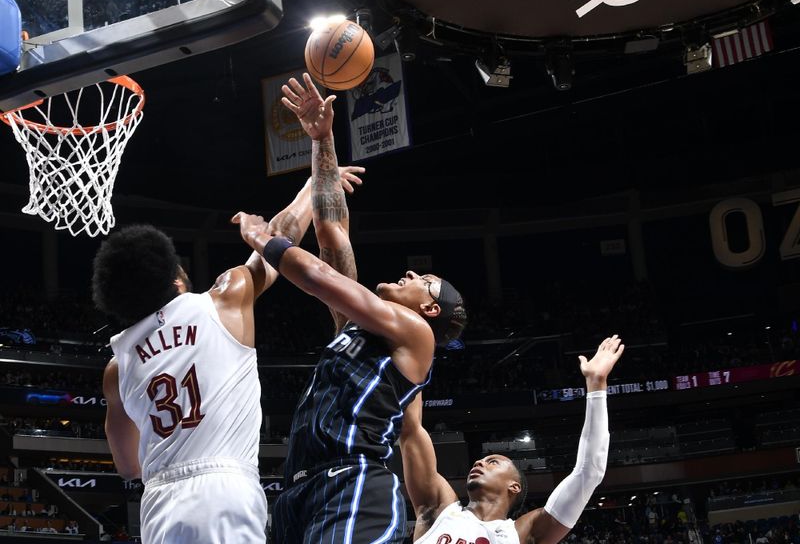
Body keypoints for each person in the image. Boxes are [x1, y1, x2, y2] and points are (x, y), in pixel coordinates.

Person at [232, 74, 467, 543]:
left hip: (355, 482)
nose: (411, 275)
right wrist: (321, 140)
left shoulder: (415, 336)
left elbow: (318, 278)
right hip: (299, 491)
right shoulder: (362, 328)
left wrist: (263, 238)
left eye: (424, 283)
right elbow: (331, 228)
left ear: (431, 311)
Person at [94, 167, 363, 544]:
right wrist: (314, 184)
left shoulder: (116, 364)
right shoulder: (223, 298)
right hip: (223, 489)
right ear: (175, 281)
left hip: (158, 502)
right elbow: (278, 241)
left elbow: (127, 465)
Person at [398, 335, 624, 544]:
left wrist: (596, 385)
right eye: (482, 461)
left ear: (514, 486)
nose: (478, 463)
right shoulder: (439, 508)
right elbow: (411, 430)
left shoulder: (523, 533)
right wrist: (413, 346)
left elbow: (589, 472)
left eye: (492, 462)